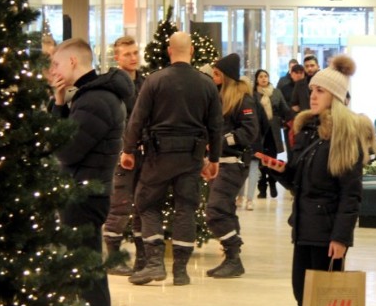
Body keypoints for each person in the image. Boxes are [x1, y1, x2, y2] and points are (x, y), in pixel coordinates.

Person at [265, 55, 376, 306]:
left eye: (319, 91)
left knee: (330, 298)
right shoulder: (312, 133)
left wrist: (341, 238)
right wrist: (282, 170)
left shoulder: (345, 137)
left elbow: (350, 194)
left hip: (328, 231)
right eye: (311, 90)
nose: (311, 95)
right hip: (304, 228)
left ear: (336, 97)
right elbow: (301, 183)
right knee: (304, 293)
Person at [48, 37, 133, 306]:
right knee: (77, 276)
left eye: (55, 64)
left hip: (85, 197)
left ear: (71, 63)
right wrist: (58, 101)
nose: (51, 71)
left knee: (89, 277)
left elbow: (65, 149)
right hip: (81, 193)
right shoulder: (86, 96)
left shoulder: (96, 99)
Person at [123, 31, 223, 287]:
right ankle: (181, 270)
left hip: (158, 157)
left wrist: (128, 150)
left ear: (169, 51)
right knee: (186, 209)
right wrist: (214, 159)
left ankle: (155, 263)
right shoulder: (207, 84)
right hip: (191, 157)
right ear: (191, 52)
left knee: (146, 205)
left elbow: (137, 119)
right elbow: (216, 125)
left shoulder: (155, 81)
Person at [204, 54, 259, 277]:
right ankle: (231, 257)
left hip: (234, 164)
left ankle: (233, 253)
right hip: (220, 164)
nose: (213, 77)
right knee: (225, 208)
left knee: (215, 209)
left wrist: (220, 140)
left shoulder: (243, 100)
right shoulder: (217, 97)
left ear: (226, 77)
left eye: (217, 74)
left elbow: (249, 132)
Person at [102, 35, 148, 276]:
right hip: (121, 154)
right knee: (119, 206)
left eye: (135, 52)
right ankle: (113, 258)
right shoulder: (112, 86)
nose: (133, 57)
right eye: (127, 54)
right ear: (117, 57)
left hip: (144, 154)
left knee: (142, 204)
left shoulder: (146, 83)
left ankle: (142, 258)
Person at [245, 68, 291, 202]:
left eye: (265, 76)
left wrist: (284, 121)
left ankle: (272, 183)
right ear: (257, 80)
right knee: (260, 160)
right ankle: (262, 188)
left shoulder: (276, 93)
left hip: (274, 131)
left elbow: (285, 109)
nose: (264, 79)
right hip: (259, 132)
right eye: (261, 77)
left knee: (271, 158)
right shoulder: (253, 95)